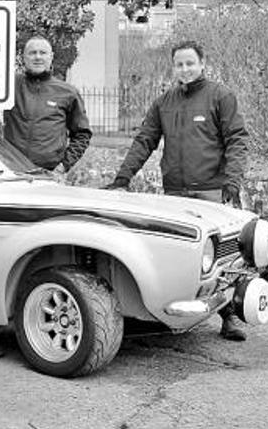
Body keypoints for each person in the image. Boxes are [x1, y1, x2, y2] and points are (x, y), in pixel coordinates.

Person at [104, 40, 250, 341]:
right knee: (181, 258)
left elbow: (237, 140)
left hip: (213, 191)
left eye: (190, 63)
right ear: (174, 67)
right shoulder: (163, 103)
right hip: (175, 193)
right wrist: (122, 178)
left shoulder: (220, 96)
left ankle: (229, 315)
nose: (185, 69)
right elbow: (144, 141)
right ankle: (176, 315)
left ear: (202, 63)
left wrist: (232, 182)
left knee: (223, 261)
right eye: (179, 64)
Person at [3, 36, 92, 175]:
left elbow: (82, 134)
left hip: (48, 174)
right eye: (32, 53)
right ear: (23, 57)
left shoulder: (68, 92)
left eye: (42, 53)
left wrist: (63, 166)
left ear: (51, 57)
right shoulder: (8, 85)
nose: (37, 57)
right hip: (11, 172)